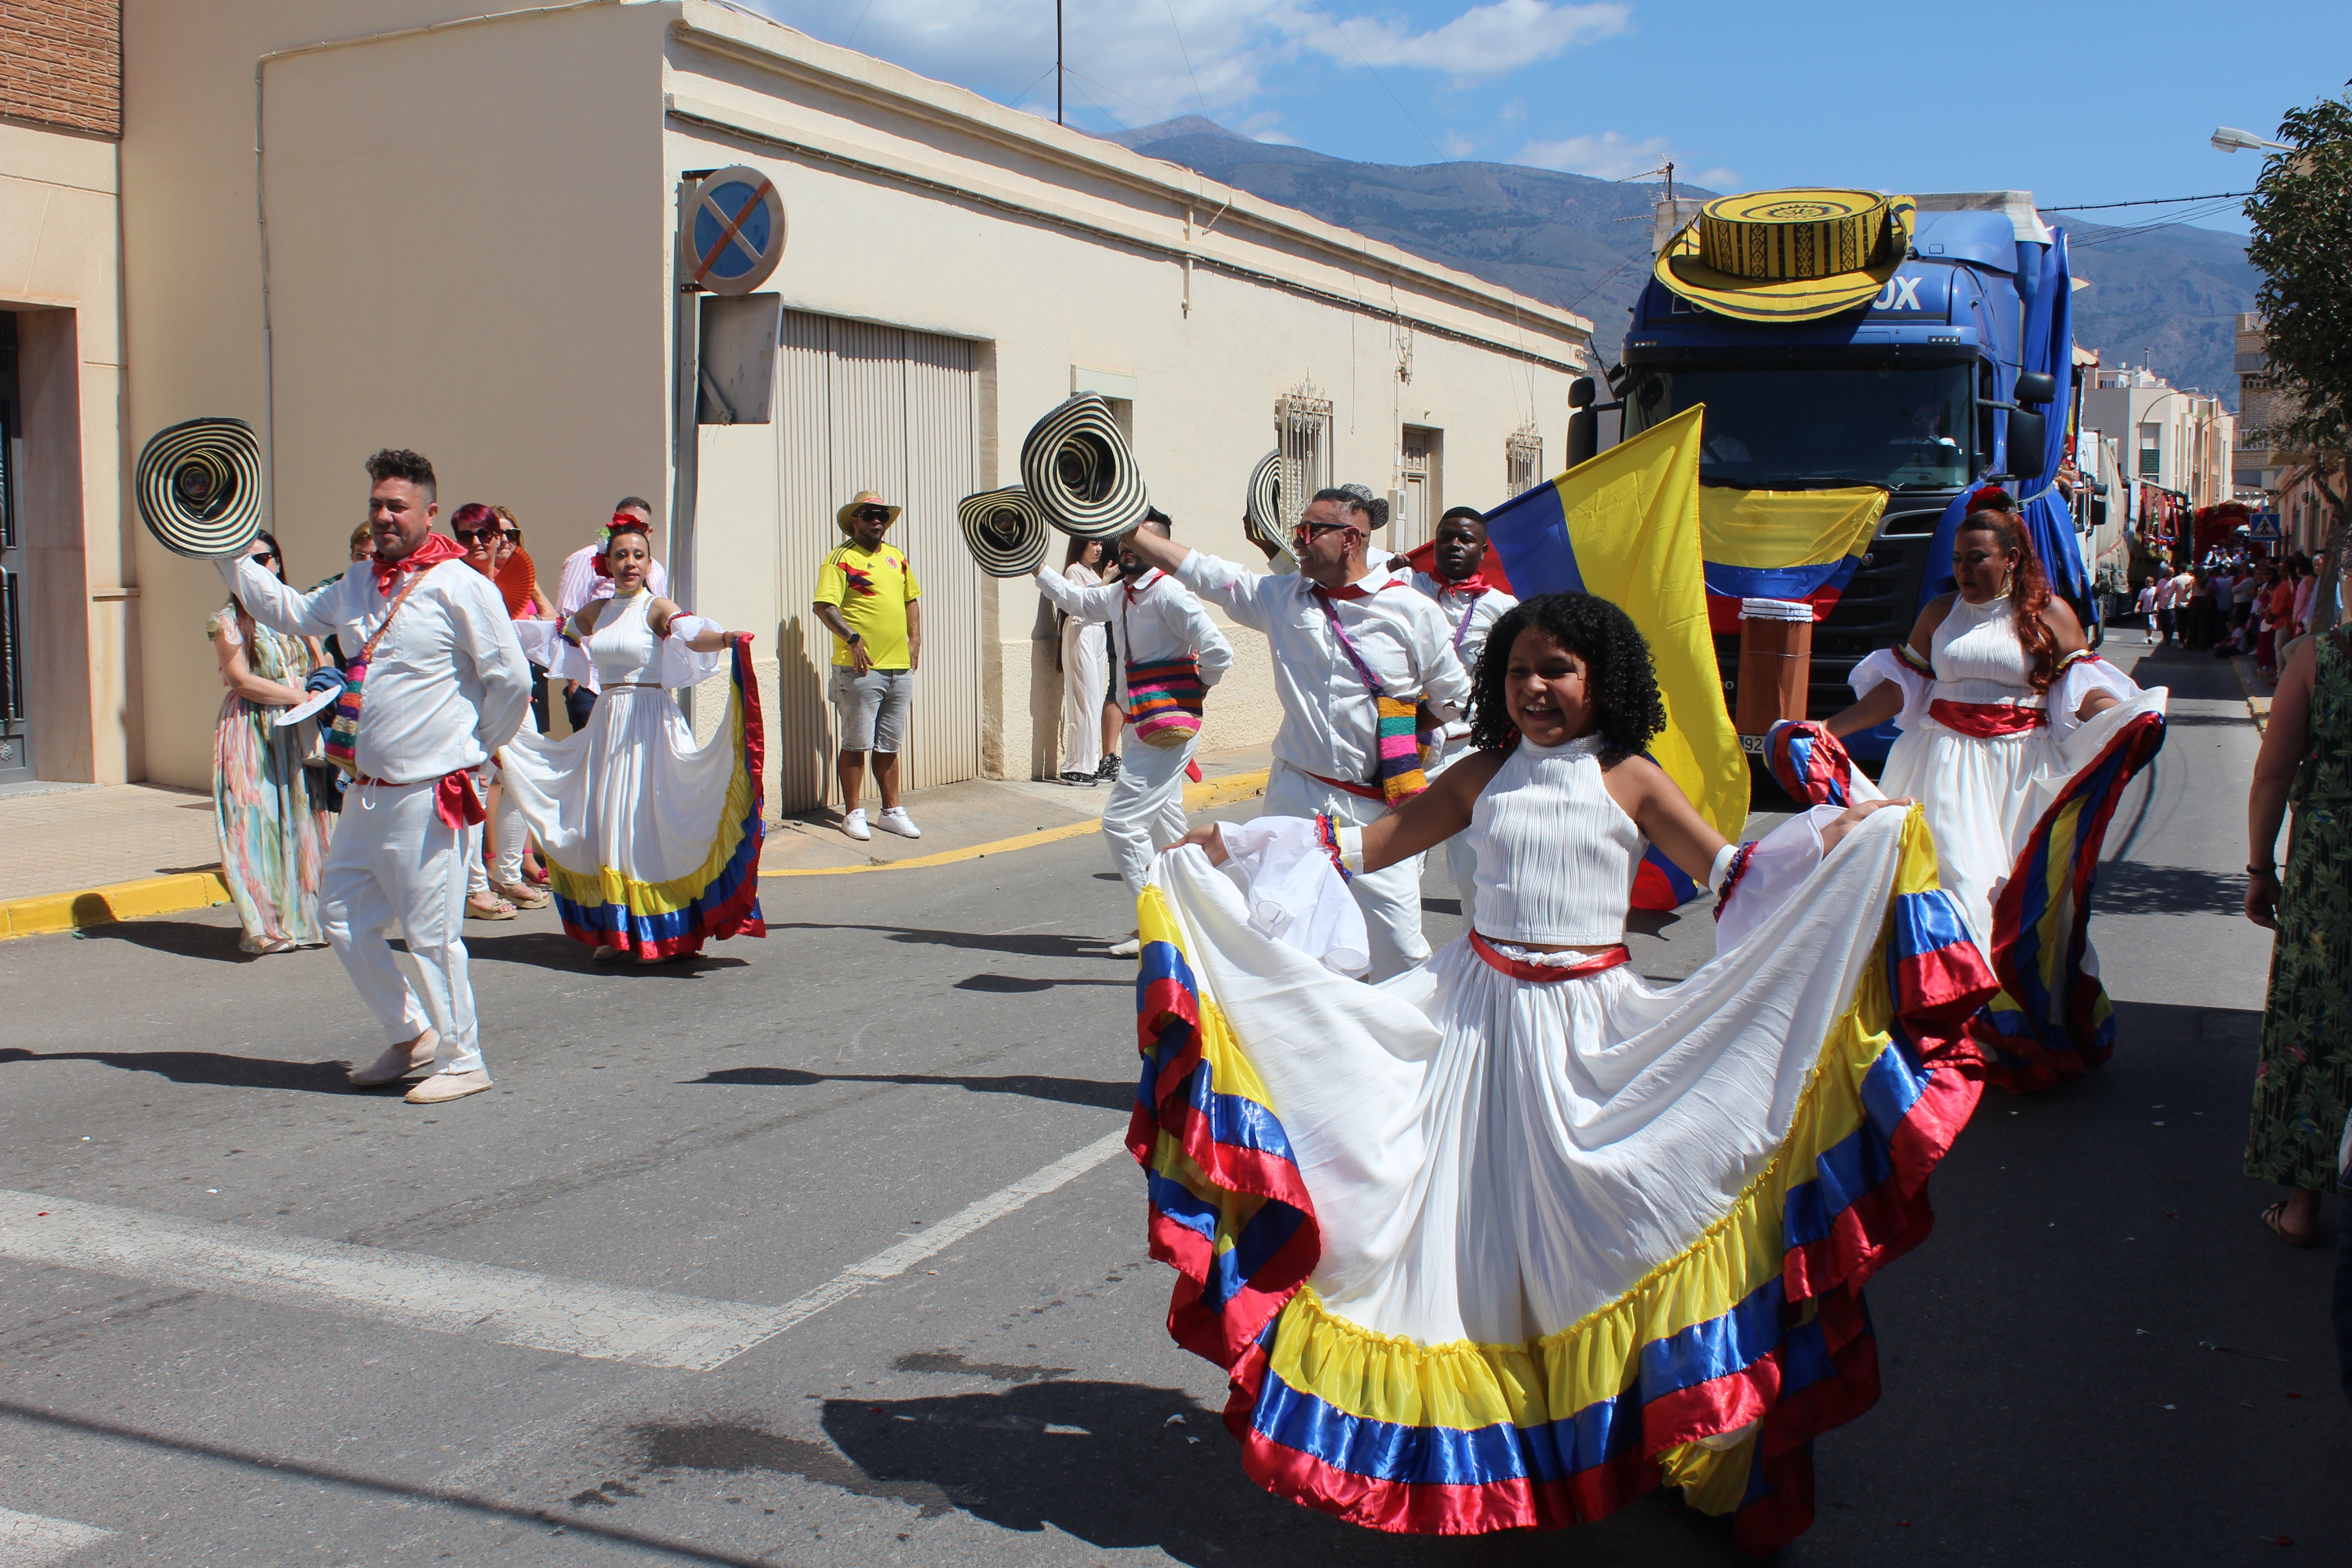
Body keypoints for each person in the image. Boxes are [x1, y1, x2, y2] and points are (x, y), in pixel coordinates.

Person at [1134, 593, 1996, 1550]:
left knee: (1610, 1231)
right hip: (1468, 1022)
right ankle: (1492, 1445)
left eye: (1558, 671)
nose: (1536, 689)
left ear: (1604, 681)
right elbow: (1364, 846)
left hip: (1590, 1031)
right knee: (1466, 1242)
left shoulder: (1631, 777)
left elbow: (1735, 876)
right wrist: (1232, 846)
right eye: (1519, 673)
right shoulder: (1483, 773)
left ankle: (1651, 1427)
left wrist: (1847, 843)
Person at [1788, 505, 2168, 1091]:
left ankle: (2004, 1030)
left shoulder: (2050, 619)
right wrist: (1830, 729)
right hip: (1937, 767)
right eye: (1959, 559)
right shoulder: (1939, 614)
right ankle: (1948, 1032)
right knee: (1952, 891)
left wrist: (2122, 719)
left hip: (2016, 778)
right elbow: (1900, 689)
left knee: (2008, 902)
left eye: (1978, 558)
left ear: (2012, 559)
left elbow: (2082, 693)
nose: (1964, 570)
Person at [218, 448, 532, 1105]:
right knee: (339, 915)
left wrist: (475, 751)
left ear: (430, 511)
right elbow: (288, 611)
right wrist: (223, 548)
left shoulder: (461, 584)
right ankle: (410, 1032)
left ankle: (466, 1057)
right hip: (365, 791)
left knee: (431, 934)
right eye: (376, 506)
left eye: (398, 506)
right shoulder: (359, 582)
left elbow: (511, 680)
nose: (385, 517)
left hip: (431, 791)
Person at [1119, 487, 1471, 980]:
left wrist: (1401, 737)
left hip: (1380, 810)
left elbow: (1453, 698)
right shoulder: (1282, 599)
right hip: (1296, 796)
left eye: (1309, 532)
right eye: (1298, 532)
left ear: (1352, 538)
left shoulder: (1413, 612)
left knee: (1398, 950)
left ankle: (1406, 1051)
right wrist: (1126, 529)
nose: (1298, 542)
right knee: (1281, 939)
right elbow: (1204, 571)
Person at [501, 514, 766, 964]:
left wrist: (725, 638)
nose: (630, 563)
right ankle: (620, 929)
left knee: (654, 821)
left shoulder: (656, 607)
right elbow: (558, 635)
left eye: (638, 555)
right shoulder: (599, 612)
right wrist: (497, 638)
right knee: (612, 822)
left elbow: (692, 636)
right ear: (606, 562)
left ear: (648, 563)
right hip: (609, 723)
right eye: (621, 555)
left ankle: (673, 930)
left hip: (650, 723)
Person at [1033, 513, 1233, 955]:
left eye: (1138, 544)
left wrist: (1197, 689)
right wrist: (1036, 566)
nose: (1126, 550)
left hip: (1168, 727)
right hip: (1141, 724)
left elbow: (1219, 649)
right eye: (1124, 543)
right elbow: (1076, 599)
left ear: (1158, 550)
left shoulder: (1170, 594)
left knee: (1122, 824)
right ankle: (1210, 915)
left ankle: (1159, 925)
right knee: (1168, 830)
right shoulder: (1122, 594)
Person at [207, 531, 335, 955]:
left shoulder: (297, 612)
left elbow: (324, 660)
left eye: (266, 559)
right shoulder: (225, 619)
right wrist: (300, 695)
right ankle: (265, 927)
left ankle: (310, 922)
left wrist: (320, 688)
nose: (259, 568)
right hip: (252, 729)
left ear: (278, 563)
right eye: (248, 563)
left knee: (304, 820)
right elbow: (241, 681)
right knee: (254, 824)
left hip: (300, 728)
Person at [1412, 504, 1517, 911]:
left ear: (1484, 550)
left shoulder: (1503, 609)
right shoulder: (1404, 587)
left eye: (1465, 539)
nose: (1454, 545)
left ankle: (1480, 968)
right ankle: (1394, 971)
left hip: (1470, 751)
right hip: (1408, 748)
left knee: (1478, 876)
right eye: (1446, 537)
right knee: (1399, 871)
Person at [814, 490, 922, 842]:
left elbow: (911, 600)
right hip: (859, 668)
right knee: (857, 742)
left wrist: (915, 640)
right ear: (854, 521)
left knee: (890, 744)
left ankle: (891, 811)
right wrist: (852, 639)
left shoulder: (897, 558)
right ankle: (853, 813)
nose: (878, 520)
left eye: (883, 515)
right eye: (869, 514)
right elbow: (824, 606)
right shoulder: (840, 559)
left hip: (898, 667)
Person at [554, 496, 668, 735]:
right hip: (595, 685)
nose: (632, 530)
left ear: (650, 531)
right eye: (625, 523)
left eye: (640, 527)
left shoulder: (655, 569)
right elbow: (567, 619)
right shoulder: (584, 560)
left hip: (646, 692)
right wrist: (576, 681)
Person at [1052, 535, 1112, 785]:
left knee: (1095, 700)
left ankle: (1090, 762)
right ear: (1081, 546)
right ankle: (1076, 765)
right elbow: (1081, 602)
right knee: (1084, 700)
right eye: (1093, 544)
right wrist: (1107, 581)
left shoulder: (1094, 574)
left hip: (1098, 634)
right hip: (1082, 632)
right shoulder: (1073, 571)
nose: (1098, 549)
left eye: (1100, 544)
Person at [2134, 578, 2159, 644]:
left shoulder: (2155, 589)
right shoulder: (2143, 591)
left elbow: (2158, 599)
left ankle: (2150, 638)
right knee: (2147, 625)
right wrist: (2137, 607)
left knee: (2152, 625)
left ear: (2153, 583)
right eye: (2148, 582)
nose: (2149, 584)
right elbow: (2140, 600)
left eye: (2151, 582)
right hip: (2146, 610)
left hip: (2153, 609)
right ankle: (2149, 637)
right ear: (2146, 583)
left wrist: (2158, 607)